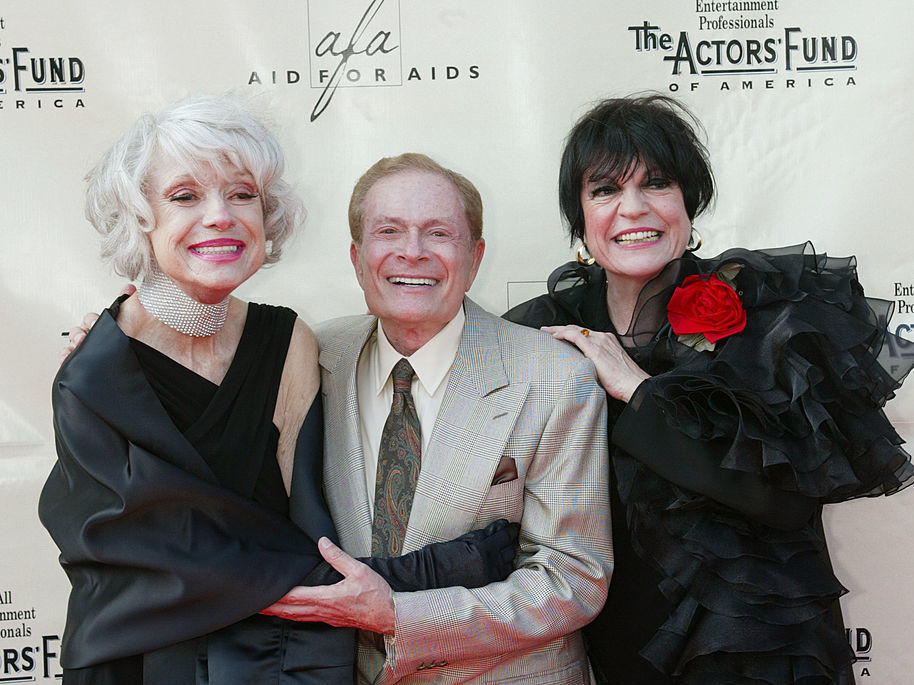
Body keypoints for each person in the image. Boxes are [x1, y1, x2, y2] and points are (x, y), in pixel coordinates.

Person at [40, 96, 519, 685]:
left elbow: (311, 523)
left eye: (242, 194)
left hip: (281, 658)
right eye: (185, 196)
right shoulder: (96, 372)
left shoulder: (289, 338)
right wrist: (450, 569)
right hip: (144, 661)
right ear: (141, 218)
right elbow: (145, 562)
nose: (220, 216)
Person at [503, 94, 914, 684]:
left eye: (658, 184)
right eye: (605, 190)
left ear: (689, 203)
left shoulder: (765, 311)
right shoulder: (543, 326)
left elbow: (784, 500)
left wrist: (638, 391)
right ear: (580, 217)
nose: (633, 209)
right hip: (617, 646)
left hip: (757, 649)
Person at [261, 153, 613, 684]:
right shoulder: (313, 356)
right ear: (357, 258)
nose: (412, 252)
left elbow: (574, 577)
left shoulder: (555, 377)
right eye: (389, 231)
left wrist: (402, 617)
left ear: (475, 258)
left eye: (438, 233)